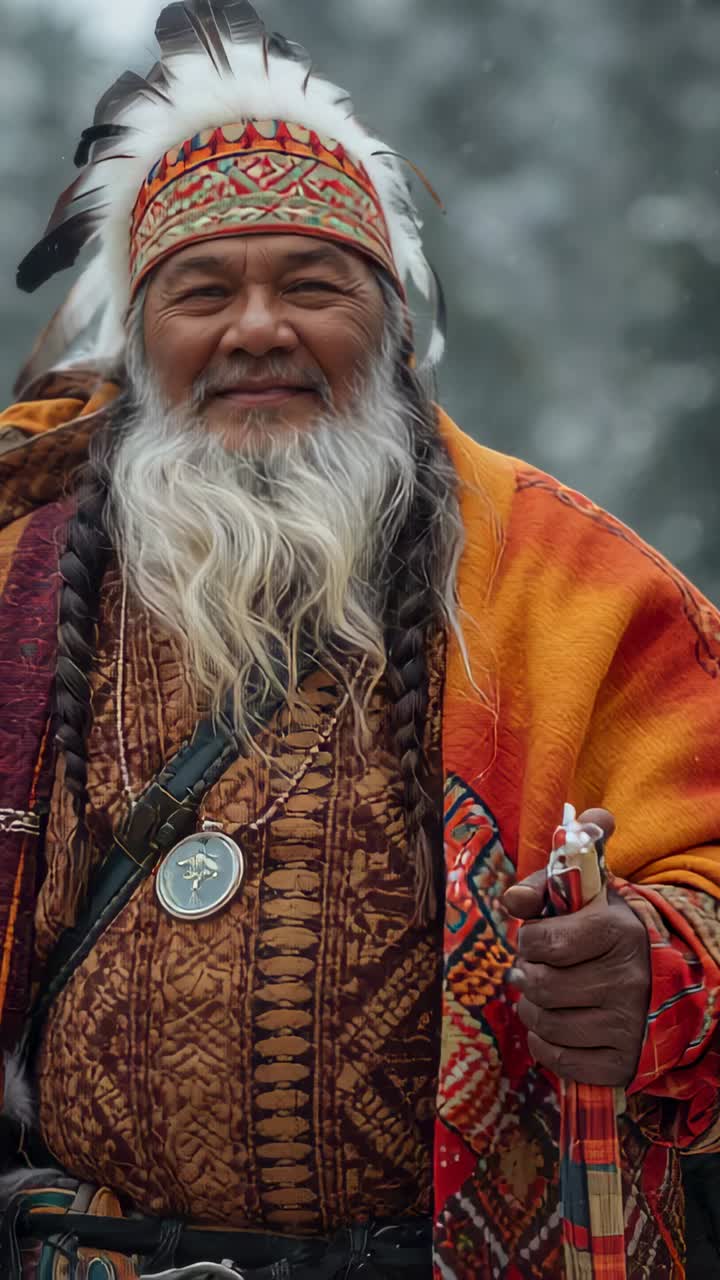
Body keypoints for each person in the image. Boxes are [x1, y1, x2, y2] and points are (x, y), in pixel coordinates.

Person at [0, 4, 719, 1277]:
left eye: (314, 284)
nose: (258, 328)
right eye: (203, 290)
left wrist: (655, 970)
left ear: (390, 325)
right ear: (145, 335)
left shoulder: (579, 585)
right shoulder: (19, 572)